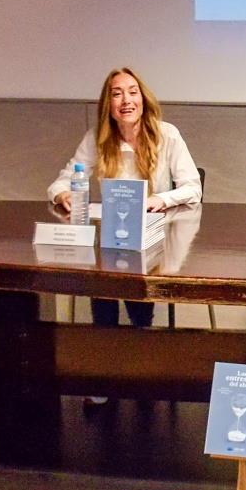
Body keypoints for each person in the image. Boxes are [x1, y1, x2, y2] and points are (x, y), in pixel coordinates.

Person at [48, 67, 202, 331]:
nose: (126, 100)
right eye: (117, 94)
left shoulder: (167, 135)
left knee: (137, 275)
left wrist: (160, 199)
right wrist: (63, 193)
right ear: (108, 105)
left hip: (154, 239)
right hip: (111, 238)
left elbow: (192, 188)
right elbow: (63, 181)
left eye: (133, 92)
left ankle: (139, 337)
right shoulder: (97, 138)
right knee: (102, 276)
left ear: (143, 99)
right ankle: (105, 340)